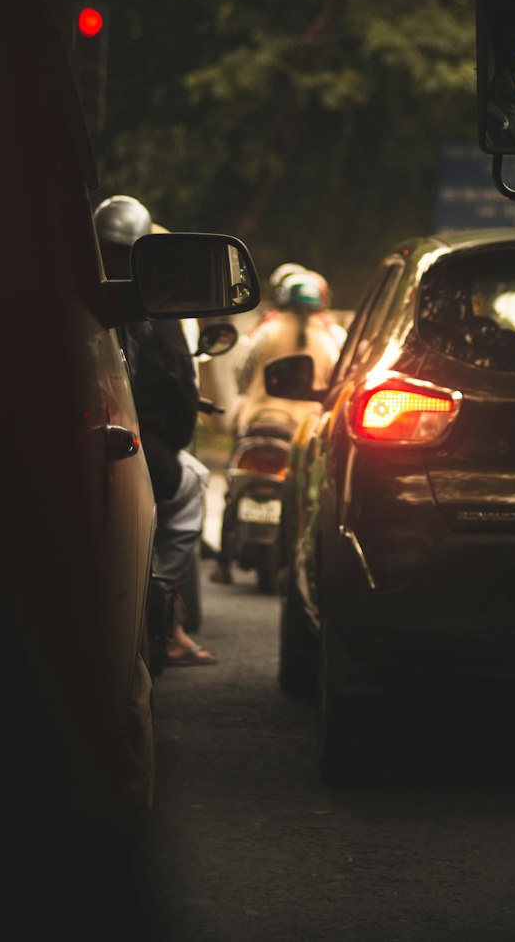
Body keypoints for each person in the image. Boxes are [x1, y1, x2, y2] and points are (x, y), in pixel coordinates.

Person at [94, 194, 217, 666]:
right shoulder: (152, 306)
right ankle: (165, 607)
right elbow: (183, 398)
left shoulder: (64, 293)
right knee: (193, 483)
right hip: (132, 447)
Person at [210, 265, 345, 583]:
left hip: (259, 422)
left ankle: (222, 563)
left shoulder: (265, 331)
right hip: (302, 432)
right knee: (307, 496)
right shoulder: (330, 340)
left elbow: (241, 374)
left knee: (234, 484)